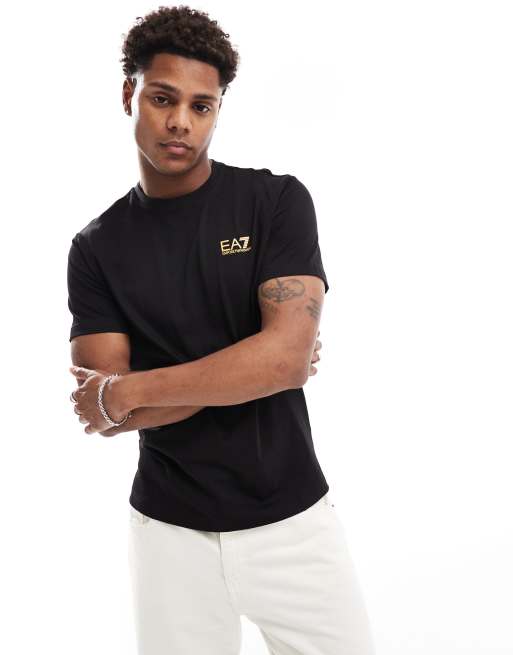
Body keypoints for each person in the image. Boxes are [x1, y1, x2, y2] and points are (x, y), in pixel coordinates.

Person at [67, 5, 376, 654]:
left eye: (201, 106)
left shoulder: (275, 202)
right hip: (167, 533)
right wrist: (254, 363)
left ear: (216, 111)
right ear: (128, 95)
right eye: (162, 98)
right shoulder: (96, 248)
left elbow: (281, 362)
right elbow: (105, 413)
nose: (181, 121)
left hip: (292, 523)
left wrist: (134, 388)